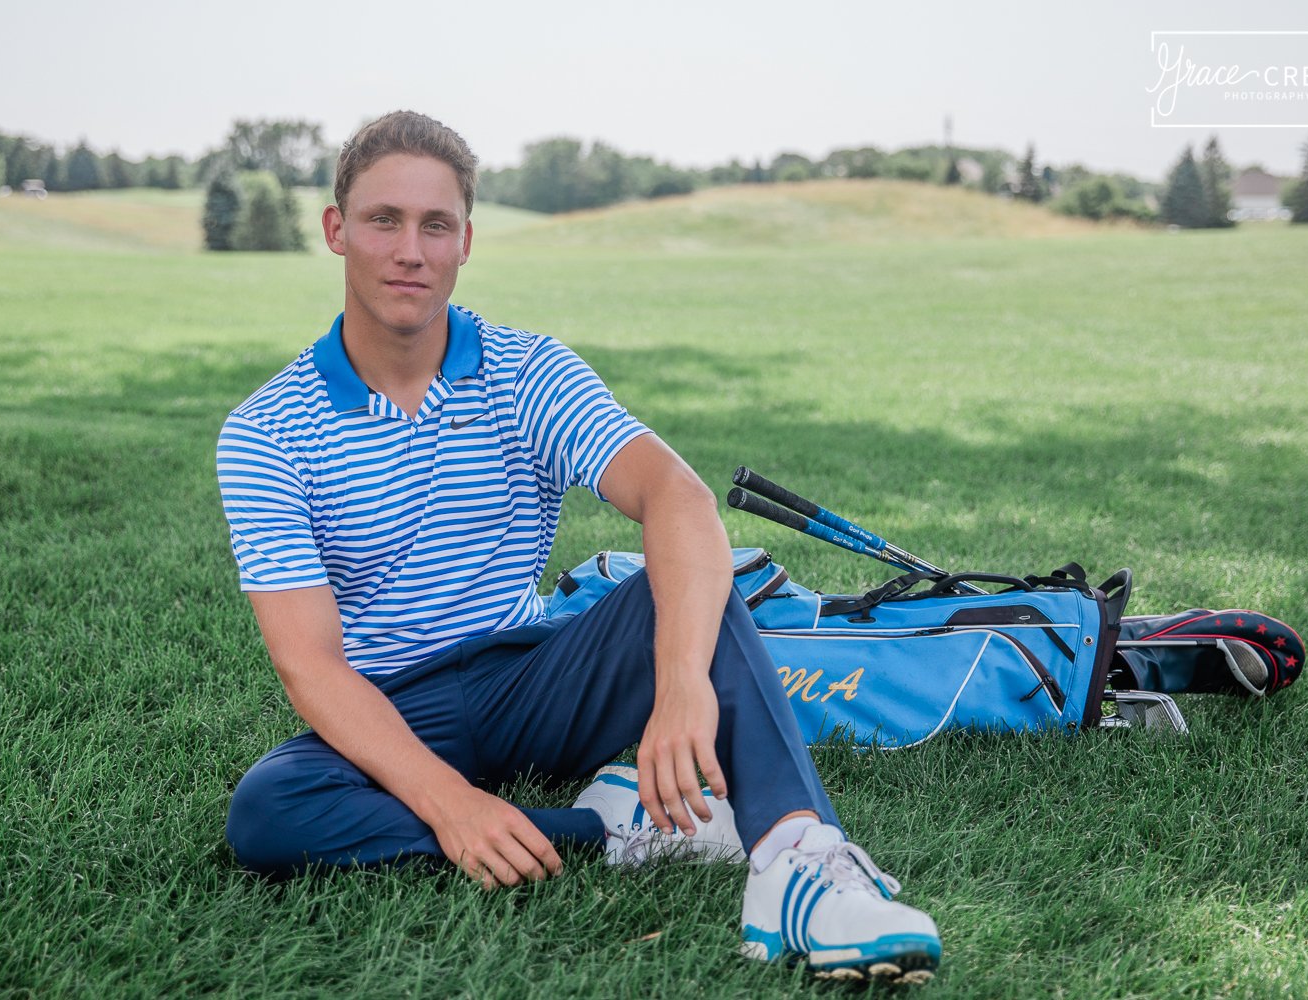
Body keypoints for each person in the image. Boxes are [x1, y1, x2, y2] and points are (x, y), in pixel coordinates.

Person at [215, 110, 940, 983]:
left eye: (435, 225)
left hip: (530, 674)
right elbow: (311, 667)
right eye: (384, 220)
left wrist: (679, 692)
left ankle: (798, 865)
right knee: (269, 813)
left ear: (466, 242)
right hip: (396, 706)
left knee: (691, 590)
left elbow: (676, 497)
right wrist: (452, 806)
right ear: (338, 230)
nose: (410, 249)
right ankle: (613, 830)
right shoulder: (266, 430)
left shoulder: (527, 373)